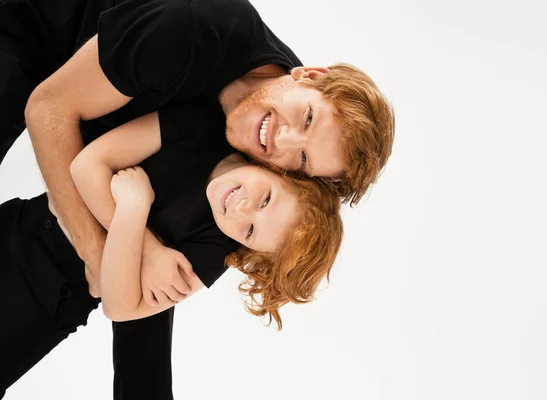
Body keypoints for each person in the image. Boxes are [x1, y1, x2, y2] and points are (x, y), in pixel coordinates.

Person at [1, 0, 395, 397]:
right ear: (308, 75)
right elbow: (49, 106)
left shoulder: (262, 184)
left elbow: (150, 284)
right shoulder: (194, 28)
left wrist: (142, 256)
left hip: (101, 137)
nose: (283, 139)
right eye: (308, 118)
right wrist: (104, 255)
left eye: (304, 158)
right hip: (35, 31)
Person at [0, 102, 343, 396]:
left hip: (51, 302)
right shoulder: (202, 125)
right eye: (266, 198)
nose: (241, 211)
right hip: (20, 228)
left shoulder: (217, 245)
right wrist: (146, 249)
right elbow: (86, 165)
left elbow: (120, 306)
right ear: (281, 171)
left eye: (251, 231)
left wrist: (133, 213)